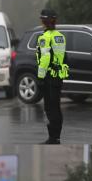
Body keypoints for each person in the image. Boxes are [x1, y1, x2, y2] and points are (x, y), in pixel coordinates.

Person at [36, 9, 69, 144]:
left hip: (48, 76)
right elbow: (63, 56)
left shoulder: (45, 37)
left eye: (42, 20)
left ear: (44, 21)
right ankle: (57, 136)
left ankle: (52, 138)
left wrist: (40, 77)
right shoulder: (60, 36)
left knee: (49, 107)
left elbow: (45, 57)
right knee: (56, 106)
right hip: (58, 76)